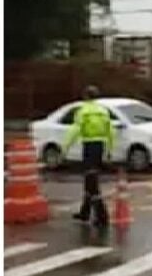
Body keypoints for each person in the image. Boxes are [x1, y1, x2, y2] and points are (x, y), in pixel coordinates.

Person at [64, 85, 115, 227]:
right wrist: (110, 149)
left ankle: (102, 216)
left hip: (88, 145)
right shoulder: (103, 111)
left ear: (85, 96)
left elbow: (75, 129)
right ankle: (85, 212)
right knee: (89, 179)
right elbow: (110, 130)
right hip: (100, 145)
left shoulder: (83, 111)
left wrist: (65, 147)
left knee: (92, 181)